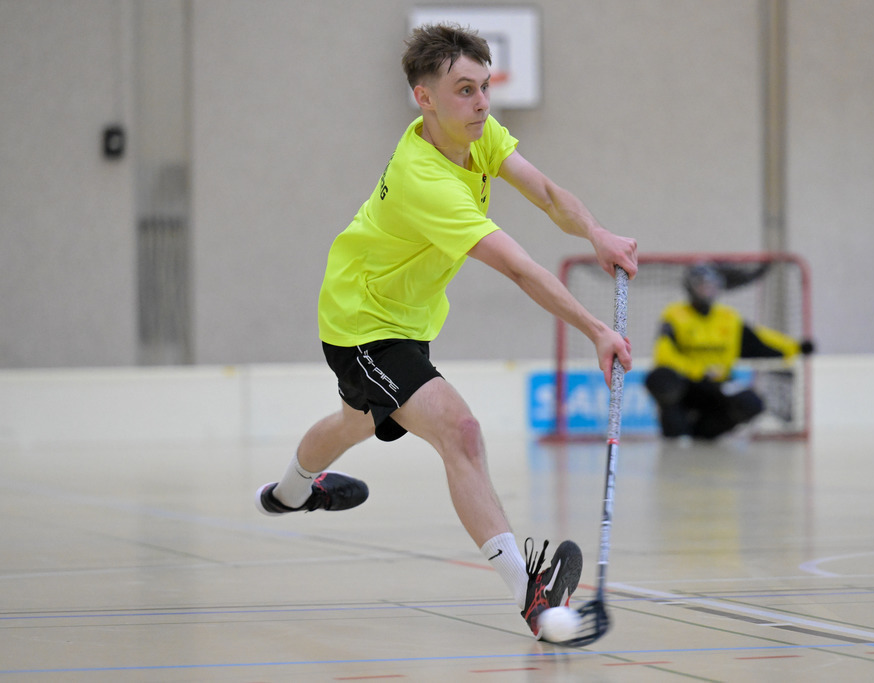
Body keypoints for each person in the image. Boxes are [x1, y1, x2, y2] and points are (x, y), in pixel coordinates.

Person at [255, 23, 637, 640]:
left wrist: (595, 232)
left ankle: (290, 493)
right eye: (465, 90)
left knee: (355, 420)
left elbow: (546, 193)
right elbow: (518, 267)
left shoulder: (474, 137)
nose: (482, 102)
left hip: (404, 319)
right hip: (363, 325)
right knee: (461, 432)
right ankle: (531, 597)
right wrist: (595, 328)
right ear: (423, 97)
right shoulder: (423, 179)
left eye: (486, 87)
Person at [644, 263, 813, 440]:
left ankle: (703, 433)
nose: (707, 290)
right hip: (687, 381)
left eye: (711, 286)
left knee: (752, 404)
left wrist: (796, 347)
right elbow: (664, 354)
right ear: (690, 287)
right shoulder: (674, 314)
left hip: (718, 382)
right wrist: (698, 371)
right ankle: (676, 433)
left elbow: (761, 339)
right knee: (660, 379)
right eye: (702, 285)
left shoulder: (729, 317)